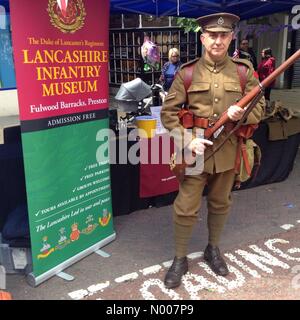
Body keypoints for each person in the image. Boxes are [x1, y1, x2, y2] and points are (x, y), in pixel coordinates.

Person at [161, 12, 265, 289]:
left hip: (229, 151)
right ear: (203, 38)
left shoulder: (244, 72)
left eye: (224, 35)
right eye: (213, 35)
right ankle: (180, 258)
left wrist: (239, 114)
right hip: (195, 152)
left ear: (231, 37)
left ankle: (213, 249)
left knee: (221, 204)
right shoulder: (188, 72)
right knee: (186, 208)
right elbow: (168, 115)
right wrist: (187, 140)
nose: (218, 40)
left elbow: (260, 109)